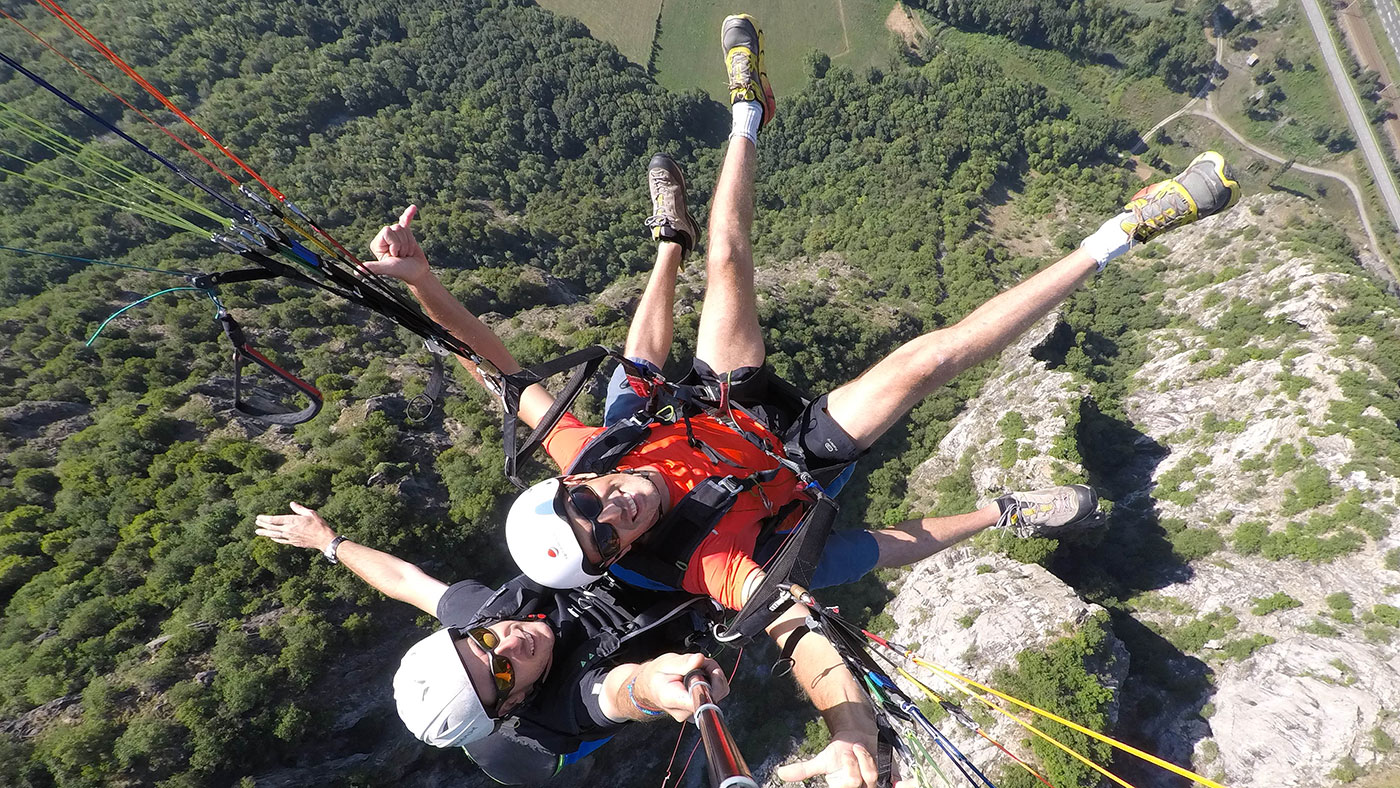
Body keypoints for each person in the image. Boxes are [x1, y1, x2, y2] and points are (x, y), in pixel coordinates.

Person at [363, 15, 1241, 786]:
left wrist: (424, 286)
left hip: (714, 420)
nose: (611, 506)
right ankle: (1120, 234)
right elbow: (779, 637)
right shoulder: (607, 666)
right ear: (612, 556)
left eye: (487, 645)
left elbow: (510, 383)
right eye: (608, 531)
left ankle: (748, 114)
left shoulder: (575, 485)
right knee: (914, 385)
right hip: (783, 478)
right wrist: (851, 731)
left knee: (725, 264)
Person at [253, 501, 730, 784]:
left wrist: (328, 543)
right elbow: (623, 692)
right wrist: (655, 687)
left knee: (625, 394)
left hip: (623, 533)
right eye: (502, 673)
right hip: (702, 577)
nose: (508, 644)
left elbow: (405, 580)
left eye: (484, 641)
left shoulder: (483, 620)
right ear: (512, 705)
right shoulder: (563, 711)